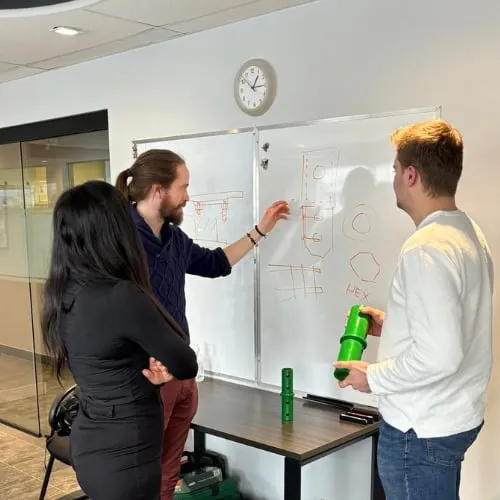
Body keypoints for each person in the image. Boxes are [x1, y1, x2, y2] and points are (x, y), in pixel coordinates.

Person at [115, 149, 289, 499]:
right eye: (183, 187)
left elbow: (215, 264)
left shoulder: (173, 238)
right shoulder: (121, 242)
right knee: (142, 475)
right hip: (148, 379)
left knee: (168, 472)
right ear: (158, 190)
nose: (187, 196)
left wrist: (261, 230)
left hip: (181, 375)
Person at [333, 119, 494, 500]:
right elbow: (455, 325)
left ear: (410, 174)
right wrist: (392, 326)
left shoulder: (426, 247)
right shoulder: (468, 233)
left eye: (393, 171)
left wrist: (372, 377)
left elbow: (440, 355)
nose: (392, 180)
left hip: (418, 433)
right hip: (452, 420)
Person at [41, 180, 198, 500]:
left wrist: (150, 375)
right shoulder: (120, 295)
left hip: (92, 446)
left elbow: (111, 363)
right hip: (128, 457)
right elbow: (185, 362)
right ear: (116, 230)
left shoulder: (64, 292)